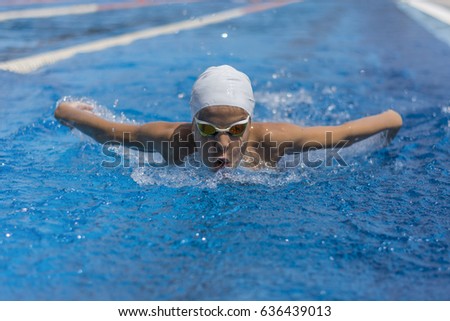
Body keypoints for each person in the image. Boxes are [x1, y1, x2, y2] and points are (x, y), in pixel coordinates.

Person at [54, 65, 403, 170]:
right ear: (192, 125)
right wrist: (67, 111)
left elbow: (345, 132)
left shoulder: (274, 142)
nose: (222, 143)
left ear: (251, 124)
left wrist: (390, 124)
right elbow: (108, 132)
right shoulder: (171, 140)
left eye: (236, 130)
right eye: (208, 129)